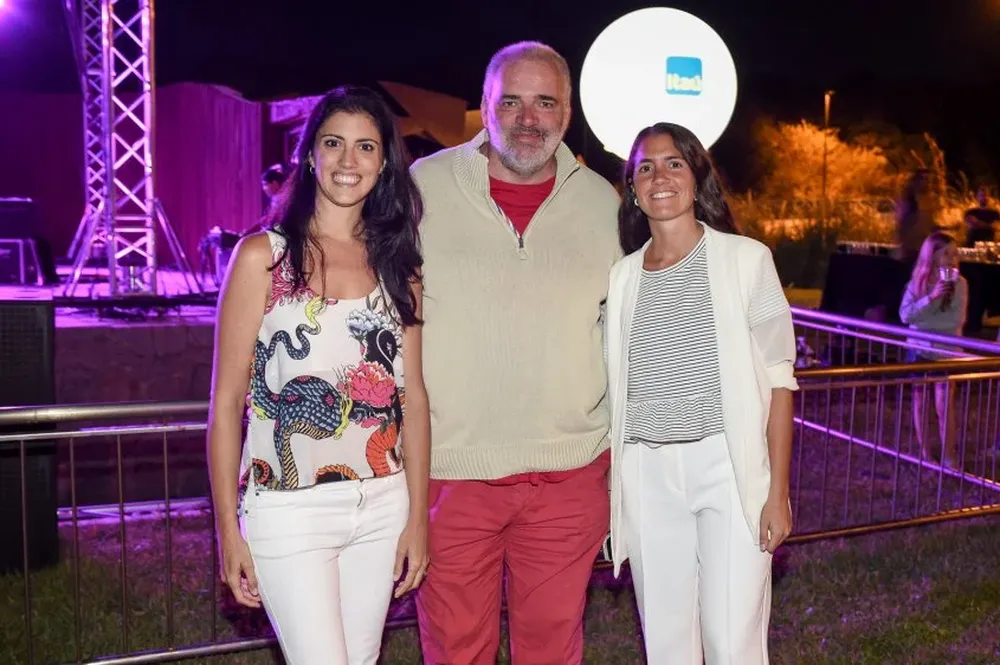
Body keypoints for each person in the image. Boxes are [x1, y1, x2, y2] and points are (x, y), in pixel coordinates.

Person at [410, 41, 621, 664]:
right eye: (511, 102)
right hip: (449, 471)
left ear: (568, 112)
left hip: (571, 473)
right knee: (456, 649)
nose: (528, 118)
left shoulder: (603, 203)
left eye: (545, 102)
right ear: (485, 106)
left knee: (552, 647)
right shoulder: (421, 188)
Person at [207, 85, 430, 665]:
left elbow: (414, 399)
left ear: (384, 164)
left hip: (383, 505)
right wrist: (228, 531)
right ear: (310, 155)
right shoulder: (264, 258)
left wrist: (418, 517)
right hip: (289, 508)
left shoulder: (399, 268)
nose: (348, 160)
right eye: (334, 143)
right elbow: (226, 402)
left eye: (365, 147)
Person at [605, 122, 797, 665]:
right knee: (666, 643)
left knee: (732, 639)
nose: (659, 177)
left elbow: (780, 380)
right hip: (647, 472)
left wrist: (777, 493)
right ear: (632, 188)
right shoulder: (622, 277)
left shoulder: (747, 260)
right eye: (645, 168)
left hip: (727, 467)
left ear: (696, 178)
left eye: (674, 163)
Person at [898, 231, 967, 468]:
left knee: (944, 404)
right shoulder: (917, 283)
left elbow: (955, 321)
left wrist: (923, 321)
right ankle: (925, 454)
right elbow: (905, 315)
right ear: (932, 255)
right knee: (920, 401)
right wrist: (931, 298)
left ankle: (949, 456)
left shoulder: (960, 284)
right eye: (946, 253)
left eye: (954, 253)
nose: (952, 258)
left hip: (946, 352)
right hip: (918, 350)